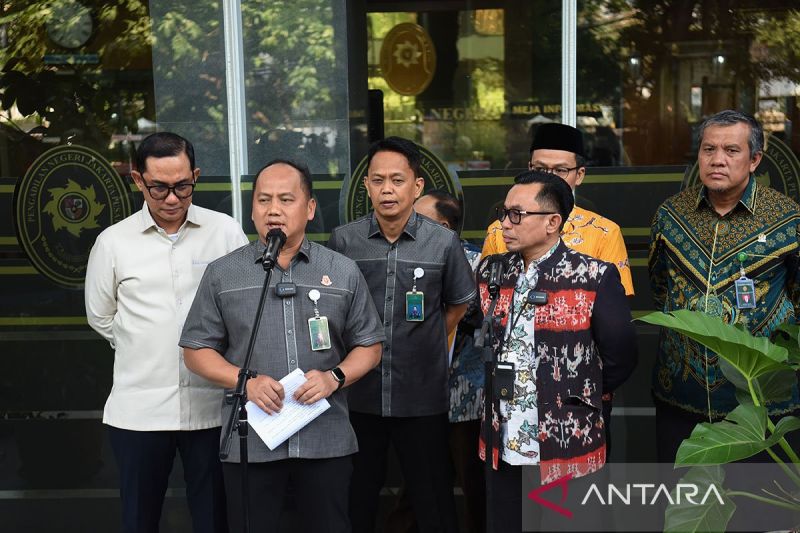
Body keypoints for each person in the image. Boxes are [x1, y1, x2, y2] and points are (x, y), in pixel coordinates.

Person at [179, 159, 384, 532]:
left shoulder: (341, 270)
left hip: (326, 440)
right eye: (263, 200)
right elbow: (196, 350)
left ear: (309, 209)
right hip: (252, 443)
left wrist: (334, 377)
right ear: (252, 209)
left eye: (286, 199)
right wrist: (246, 380)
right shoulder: (224, 273)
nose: (273, 209)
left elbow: (370, 346)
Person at [85, 132, 248, 533]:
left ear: (195, 176)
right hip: (139, 413)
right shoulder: (113, 243)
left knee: (215, 520)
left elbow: (244, 307)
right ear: (138, 180)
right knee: (140, 520)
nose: (172, 199)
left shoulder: (225, 233)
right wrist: (147, 345)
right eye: (159, 188)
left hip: (212, 410)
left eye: (182, 186)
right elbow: (101, 317)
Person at [328, 137, 476, 533]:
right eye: (378, 180)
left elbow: (459, 303)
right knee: (357, 495)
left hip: (421, 393)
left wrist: (427, 338)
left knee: (433, 498)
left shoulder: (442, 241)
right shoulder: (345, 240)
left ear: (417, 186)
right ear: (367, 186)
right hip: (360, 392)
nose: (387, 189)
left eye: (397, 179)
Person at [478, 169, 637, 532]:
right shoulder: (491, 272)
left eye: (516, 214)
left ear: (552, 222)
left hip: (567, 439)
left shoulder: (593, 275)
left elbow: (622, 355)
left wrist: (576, 396)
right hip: (503, 435)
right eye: (504, 213)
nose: (505, 222)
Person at [648, 109, 800, 463]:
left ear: (754, 160)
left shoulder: (788, 220)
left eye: (731, 151)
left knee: (760, 515)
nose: (717, 160)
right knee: (683, 503)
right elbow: (659, 286)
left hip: (761, 406)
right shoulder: (669, 216)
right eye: (708, 149)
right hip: (680, 400)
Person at [481, 122, 633, 456]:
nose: (549, 176)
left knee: (569, 495)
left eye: (560, 170)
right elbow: (488, 306)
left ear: (579, 174)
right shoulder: (500, 231)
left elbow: (617, 336)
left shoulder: (604, 232)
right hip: (509, 399)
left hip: (576, 400)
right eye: (539, 168)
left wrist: (583, 391)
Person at [386, 191, 485, 533]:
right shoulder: (400, 258)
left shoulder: (477, 261)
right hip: (420, 397)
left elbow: (474, 313)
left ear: (443, 226)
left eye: (418, 218)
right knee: (417, 487)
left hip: (466, 400)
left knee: (475, 490)